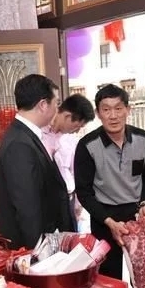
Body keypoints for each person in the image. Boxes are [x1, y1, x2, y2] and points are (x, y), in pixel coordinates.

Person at [74, 84, 145, 288]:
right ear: (98, 113)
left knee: (141, 282)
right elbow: (84, 192)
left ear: (127, 109)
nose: (113, 115)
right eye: (106, 109)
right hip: (104, 220)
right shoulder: (87, 146)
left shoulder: (143, 140)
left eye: (118, 108)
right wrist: (108, 220)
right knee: (108, 285)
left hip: (136, 218)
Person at [0, 74, 75, 250]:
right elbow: (27, 207)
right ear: (43, 105)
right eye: (56, 103)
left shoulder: (26, 135)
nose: (57, 109)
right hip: (30, 248)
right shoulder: (19, 143)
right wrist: (38, 252)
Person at [44, 94, 96, 229]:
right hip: (46, 200)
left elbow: (75, 173)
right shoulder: (40, 134)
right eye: (77, 126)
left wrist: (78, 205)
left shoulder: (71, 141)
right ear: (67, 116)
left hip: (67, 199)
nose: (77, 131)